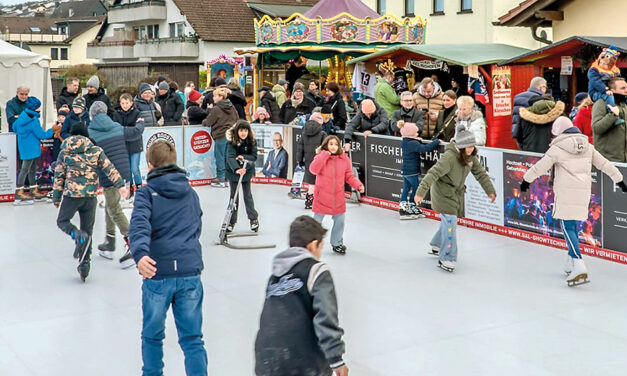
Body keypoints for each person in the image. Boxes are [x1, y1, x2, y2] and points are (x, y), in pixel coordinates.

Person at [129, 140, 207, 375]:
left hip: (157, 273)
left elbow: (139, 225)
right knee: (193, 339)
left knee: (152, 336)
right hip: (189, 272)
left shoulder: (145, 193)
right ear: (174, 163)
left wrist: (141, 254)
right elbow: (196, 227)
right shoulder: (190, 193)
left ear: (150, 165)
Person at [521, 116, 626, 286]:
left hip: (565, 192)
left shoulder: (557, 148)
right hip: (583, 192)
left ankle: (578, 263)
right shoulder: (588, 146)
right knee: (573, 226)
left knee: (567, 226)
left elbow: (540, 166)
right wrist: (619, 179)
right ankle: (571, 261)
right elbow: (605, 164)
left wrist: (526, 180)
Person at [254, 215, 348, 376]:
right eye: (320, 247)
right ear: (312, 246)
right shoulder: (316, 271)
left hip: (265, 359)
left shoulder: (275, 277)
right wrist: (336, 359)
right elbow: (325, 317)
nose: (319, 254)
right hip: (301, 361)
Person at [415, 125, 496, 272]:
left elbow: (481, 174)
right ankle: (447, 257)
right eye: (467, 146)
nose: (471, 149)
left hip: (455, 194)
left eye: (472, 146)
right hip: (443, 194)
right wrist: (420, 192)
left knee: (448, 222)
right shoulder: (449, 158)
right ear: (460, 146)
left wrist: (490, 191)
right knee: (451, 222)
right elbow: (432, 173)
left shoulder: (470, 157)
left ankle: (437, 244)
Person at [53, 121, 126, 282]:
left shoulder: (64, 151)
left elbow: (59, 176)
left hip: (72, 195)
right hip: (90, 196)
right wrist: (120, 185)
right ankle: (85, 264)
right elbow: (109, 168)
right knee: (88, 231)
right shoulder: (96, 150)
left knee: (63, 221)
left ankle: (76, 234)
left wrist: (56, 197)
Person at [88, 101, 142, 269]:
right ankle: (110, 241)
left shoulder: (90, 132)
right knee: (111, 205)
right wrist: (141, 122)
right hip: (122, 173)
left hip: (106, 174)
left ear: (92, 115)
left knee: (113, 208)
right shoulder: (117, 127)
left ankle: (132, 242)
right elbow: (135, 132)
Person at [309, 135, 364, 254]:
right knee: (317, 222)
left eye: (336, 144)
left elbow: (349, 176)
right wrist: (323, 155)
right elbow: (313, 169)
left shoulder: (344, 159)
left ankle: (337, 243)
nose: (333, 147)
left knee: (340, 220)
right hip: (322, 196)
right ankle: (311, 242)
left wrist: (358, 185)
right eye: (330, 144)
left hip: (337, 197)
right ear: (326, 145)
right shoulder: (320, 157)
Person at [13, 97, 54, 204]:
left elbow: (14, 127)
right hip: (32, 148)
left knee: (31, 169)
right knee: (25, 169)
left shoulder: (22, 116)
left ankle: (33, 189)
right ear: (35, 107)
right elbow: (42, 135)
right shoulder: (33, 120)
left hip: (24, 147)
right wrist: (52, 130)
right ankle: (18, 192)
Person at [398, 121, 440, 220]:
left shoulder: (406, 141)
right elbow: (425, 148)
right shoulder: (412, 143)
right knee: (416, 188)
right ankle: (411, 206)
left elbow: (415, 144)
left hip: (406, 171)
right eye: (415, 133)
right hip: (411, 171)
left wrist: (417, 140)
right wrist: (436, 142)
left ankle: (404, 207)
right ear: (410, 134)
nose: (417, 134)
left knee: (406, 189)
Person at [225, 121, 259, 232]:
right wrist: (236, 169)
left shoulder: (252, 142)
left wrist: (243, 157)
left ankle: (253, 219)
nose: (243, 133)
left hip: (247, 172)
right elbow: (230, 157)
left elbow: (254, 156)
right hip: (233, 173)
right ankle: (231, 221)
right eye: (241, 130)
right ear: (237, 131)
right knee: (234, 197)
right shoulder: (231, 143)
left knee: (247, 196)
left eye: (245, 130)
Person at [203, 87, 239, 188]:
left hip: (220, 135)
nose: (213, 98)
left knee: (219, 156)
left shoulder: (217, 109)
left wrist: (204, 121)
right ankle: (228, 177)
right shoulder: (232, 107)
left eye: (215, 96)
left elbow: (208, 122)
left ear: (221, 97)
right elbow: (237, 119)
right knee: (228, 157)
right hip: (230, 135)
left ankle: (221, 177)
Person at [113, 93, 145, 197]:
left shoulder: (137, 113)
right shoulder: (116, 114)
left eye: (127, 103)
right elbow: (116, 130)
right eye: (122, 103)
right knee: (127, 169)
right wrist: (129, 131)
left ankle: (139, 187)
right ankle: (129, 187)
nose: (125, 105)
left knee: (134, 168)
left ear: (131, 103)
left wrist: (125, 131)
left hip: (135, 145)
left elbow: (139, 129)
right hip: (123, 146)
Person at [591, 77, 627, 162]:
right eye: (623, 88)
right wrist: (613, 115)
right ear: (612, 90)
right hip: (608, 160)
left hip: (624, 160)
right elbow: (596, 128)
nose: (626, 90)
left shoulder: (623, 104)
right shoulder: (601, 103)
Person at [296, 112, 327, 209]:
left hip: (309, 162)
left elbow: (300, 149)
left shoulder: (304, 134)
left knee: (311, 184)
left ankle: (309, 201)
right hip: (320, 162)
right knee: (321, 182)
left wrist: (300, 160)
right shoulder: (322, 134)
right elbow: (325, 148)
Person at [587, 45, 623, 125]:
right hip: (596, 92)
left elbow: (618, 80)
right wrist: (605, 90)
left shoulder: (614, 70)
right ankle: (612, 114)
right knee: (609, 96)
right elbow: (595, 81)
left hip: (609, 90)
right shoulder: (594, 69)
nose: (603, 59)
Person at [512, 77, 547, 146]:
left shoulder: (517, 97)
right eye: (545, 87)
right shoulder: (540, 99)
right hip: (533, 135)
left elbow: (516, 117)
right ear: (541, 87)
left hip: (519, 133)